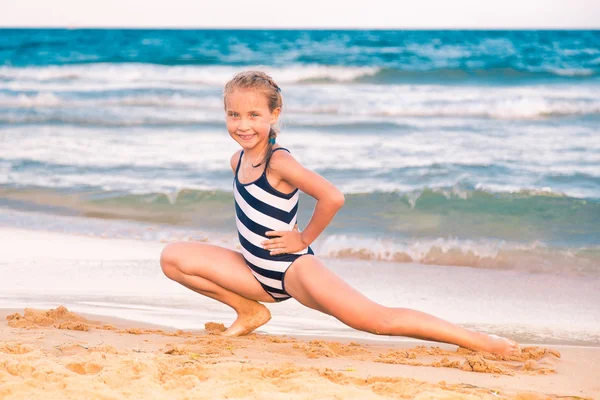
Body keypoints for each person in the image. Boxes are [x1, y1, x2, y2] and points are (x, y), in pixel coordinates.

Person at [160, 70, 520, 357]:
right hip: (254, 273)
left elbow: (332, 197)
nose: (243, 124)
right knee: (173, 258)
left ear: (275, 114)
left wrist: (302, 238)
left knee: (377, 320)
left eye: (254, 114)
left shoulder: (279, 160)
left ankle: (480, 341)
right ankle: (250, 311)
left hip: (293, 270)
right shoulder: (237, 160)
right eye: (233, 114)